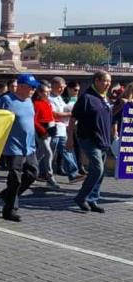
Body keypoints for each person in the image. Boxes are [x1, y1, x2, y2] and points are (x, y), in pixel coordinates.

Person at [0, 73, 40, 221]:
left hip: (29, 147)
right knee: (15, 179)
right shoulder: (6, 100)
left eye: (35, 87)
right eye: (31, 87)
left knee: (32, 174)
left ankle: (7, 194)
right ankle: (9, 210)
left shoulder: (29, 101)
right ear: (20, 86)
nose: (34, 90)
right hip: (12, 147)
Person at [67, 71, 113, 213]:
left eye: (109, 81)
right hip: (88, 138)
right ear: (97, 81)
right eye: (105, 81)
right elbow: (73, 120)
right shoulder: (86, 98)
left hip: (103, 139)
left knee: (101, 171)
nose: (107, 84)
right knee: (97, 169)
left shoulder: (104, 98)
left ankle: (93, 199)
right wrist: (70, 140)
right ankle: (81, 197)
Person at [48, 76, 81, 183]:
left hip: (62, 129)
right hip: (53, 129)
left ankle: (73, 174)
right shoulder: (49, 99)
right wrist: (70, 113)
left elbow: (63, 110)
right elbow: (54, 114)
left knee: (67, 151)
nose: (61, 90)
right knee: (48, 153)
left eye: (63, 88)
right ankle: (41, 171)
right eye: (59, 88)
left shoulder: (60, 98)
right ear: (53, 86)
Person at [32, 81, 61, 189]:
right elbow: (34, 120)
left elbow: (50, 116)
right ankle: (50, 177)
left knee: (40, 153)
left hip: (50, 128)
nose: (48, 94)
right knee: (48, 152)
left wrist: (55, 124)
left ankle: (27, 168)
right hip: (42, 130)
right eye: (45, 92)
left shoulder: (47, 102)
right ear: (39, 93)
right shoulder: (35, 103)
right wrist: (42, 131)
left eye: (49, 92)